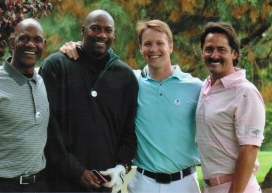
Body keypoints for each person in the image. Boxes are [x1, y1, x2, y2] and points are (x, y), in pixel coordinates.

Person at [61, 19, 202, 193]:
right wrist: (77, 47)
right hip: (144, 183)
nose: (153, 49)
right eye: (148, 44)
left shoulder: (195, 87)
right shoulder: (131, 81)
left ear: (170, 46)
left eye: (160, 43)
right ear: (141, 48)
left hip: (185, 183)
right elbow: (99, 60)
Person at [39, 9, 138, 192]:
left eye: (108, 30)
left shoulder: (126, 77)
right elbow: (47, 127)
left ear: (114, 36)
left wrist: (121, 166)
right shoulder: (56, 66)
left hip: (103, 182)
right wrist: (76, 170)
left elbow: (128, 131)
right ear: (82, 31)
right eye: (95, 28)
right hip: (59, 183)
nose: (102, 34)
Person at [0, 18, 49, 192]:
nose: (30, 44)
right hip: (1, 186)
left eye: (37, 40)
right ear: (11, 42)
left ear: (44, 45)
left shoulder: (41, 82)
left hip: (39, 185)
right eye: (23, 38)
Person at [196, 22, 265, 193]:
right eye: (209, 49)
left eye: (221, 49)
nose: (214, 55)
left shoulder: (245, 91)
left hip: (237, 188)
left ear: (234, 54)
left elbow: (249, 148)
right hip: (211, 188)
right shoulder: (205, 86)